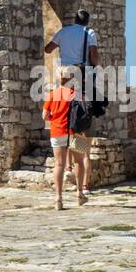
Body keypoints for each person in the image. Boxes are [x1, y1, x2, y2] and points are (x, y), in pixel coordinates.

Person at [45, 9, 100, 194]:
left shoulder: (64, 31)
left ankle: (66, 168)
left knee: (63, 107)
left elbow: (48, 49)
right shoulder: (89, 33)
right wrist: (95, 66)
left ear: (74, 19)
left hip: (64, 71)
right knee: (80, 110)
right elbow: (93, 55)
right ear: (87, 21)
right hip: (82, 74)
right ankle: (82, 188)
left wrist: (63, 50)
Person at [42, 68, 89, 210]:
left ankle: (58, 199)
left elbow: (44, 116)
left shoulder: (52, 95)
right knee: (79, 162)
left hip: (57, 131)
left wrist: (54, 118)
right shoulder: (77, 95)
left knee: (59, 165)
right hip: (76, 132)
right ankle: (80, 193)